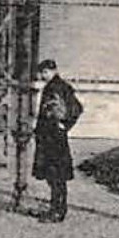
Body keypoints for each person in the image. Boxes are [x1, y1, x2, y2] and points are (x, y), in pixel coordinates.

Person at [31, 59, 84, 222]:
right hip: (51, 137)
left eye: (45, 72)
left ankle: (58, 211)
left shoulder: (56, 87)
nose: (42, 76)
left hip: (53, 138)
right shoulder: (58, 86)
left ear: (52, 71)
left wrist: (64, 124)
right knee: (53, 174)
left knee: (56, 175)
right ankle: (56, 208)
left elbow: (76, 108)